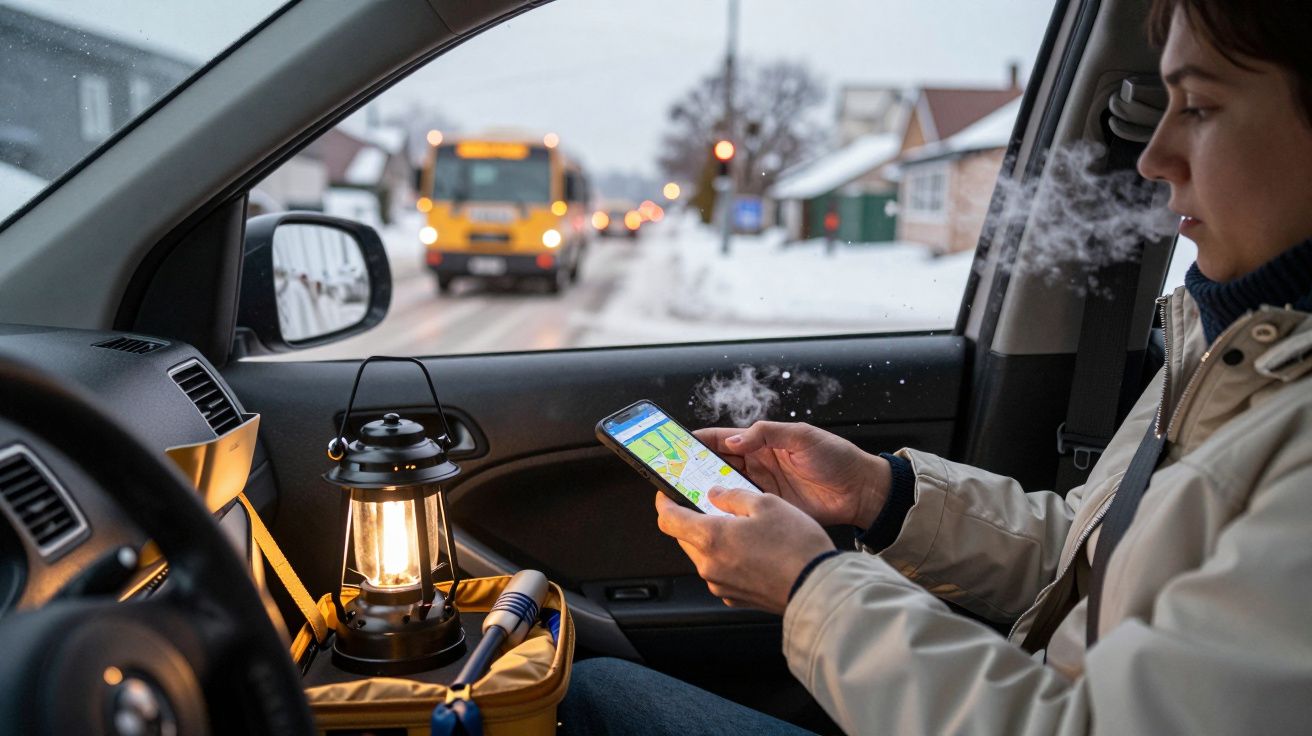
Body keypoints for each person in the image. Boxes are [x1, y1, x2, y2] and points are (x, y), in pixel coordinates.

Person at [558, 1, 1312, 733]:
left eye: (1201, 107)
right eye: (1165, 104)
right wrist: (878, 493)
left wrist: (809, 587)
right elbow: (1097, 552)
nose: (1154, 158)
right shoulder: (1233, 346)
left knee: (589, 698)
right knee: (597, 689)